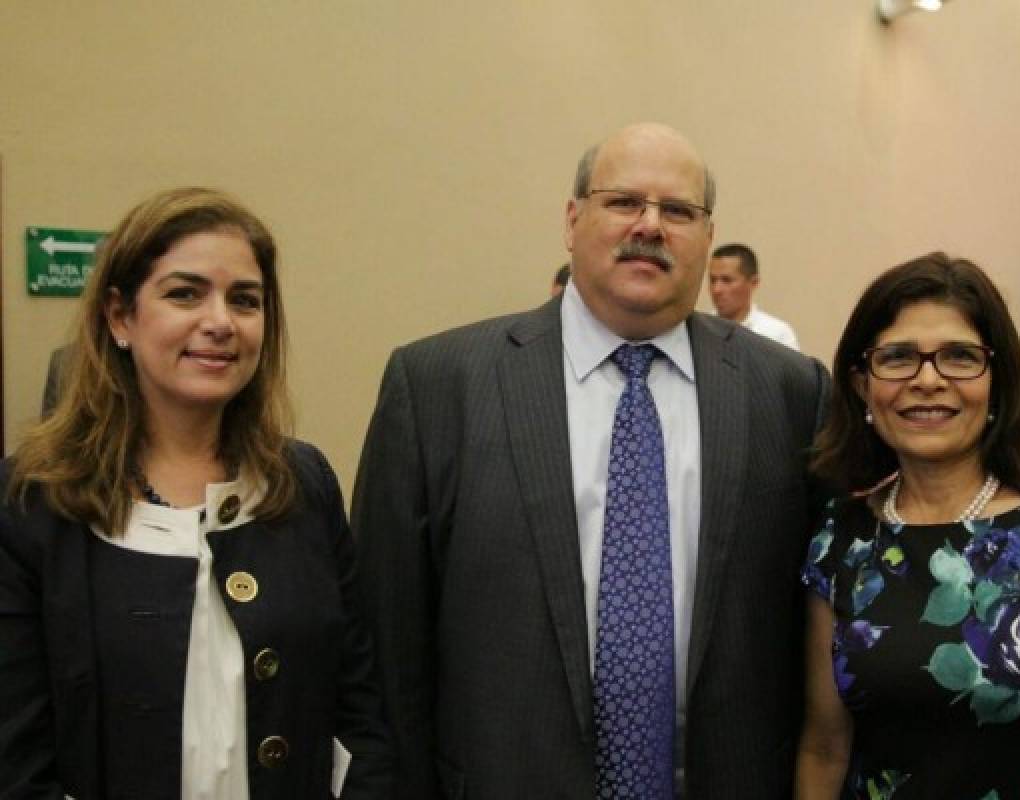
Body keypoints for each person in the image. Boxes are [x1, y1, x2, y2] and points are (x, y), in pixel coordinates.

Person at [352, 122, 831, 798]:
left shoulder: (789, 391)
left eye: (678, 211)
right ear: (573, 220)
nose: (651, 225)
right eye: (624, 201)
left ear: (708, 235)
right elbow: (386, 645)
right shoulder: (437, 387)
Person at [0, 188, 395, 798]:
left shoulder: (301, 484)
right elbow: (16, 759)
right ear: (119, 317)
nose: (219, 322)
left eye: (245, 300)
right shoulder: (33, 499)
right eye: (184, 294)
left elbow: (359, 710)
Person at [794, 253, 1020, 799]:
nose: (928, 380)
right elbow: (825, 748)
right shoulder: (841, 537)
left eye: (960, 357)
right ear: (860, 384)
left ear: (998, 381)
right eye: (898, 358)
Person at [708, 242, 799, 348]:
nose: (716, 289)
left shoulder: (776, 335)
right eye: (713, 280)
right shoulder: (699, 331)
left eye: (727, 280)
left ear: (753, 282)